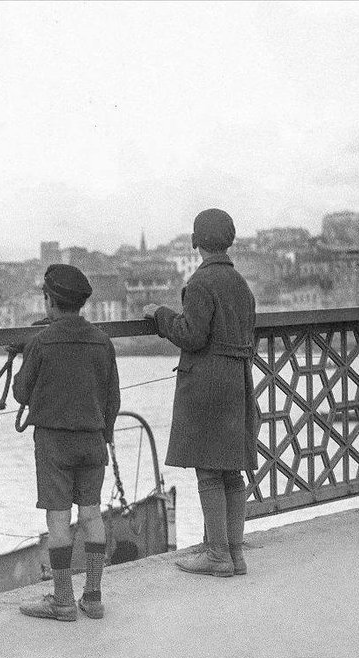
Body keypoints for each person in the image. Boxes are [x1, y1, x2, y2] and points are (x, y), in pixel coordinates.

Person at [142, 208, 258, 577]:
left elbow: (192, 335)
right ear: (230, 240)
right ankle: (235, 554)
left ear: (196, 242)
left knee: (208, 472)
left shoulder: (200, 283)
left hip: (208, 380)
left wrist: (161, 316)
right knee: (233, 471)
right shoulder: (241, 284)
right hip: (238, 378)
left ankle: (216, 555)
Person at [11, 264, 121, 621]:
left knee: (58, 520)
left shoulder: (40, 342)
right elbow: (113, 399)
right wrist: (104, 434)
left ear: (50, 302)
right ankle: (93, 597)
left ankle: (62, 601)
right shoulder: (103, 342)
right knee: (91, 514)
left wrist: (22, 355)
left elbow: (21, 392)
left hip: (54, 444)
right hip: (93, 440)